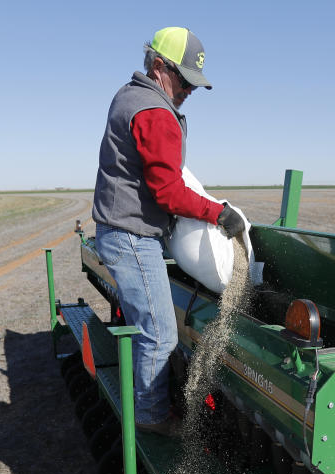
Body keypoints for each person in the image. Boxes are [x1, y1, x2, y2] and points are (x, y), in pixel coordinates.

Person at [92, 27, 245, 436]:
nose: (189, 91)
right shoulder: (155, 113)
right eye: (185, 81)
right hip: (131, 235)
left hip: (120, 228)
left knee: (154, 329)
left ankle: (152, 405)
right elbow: (167, 191)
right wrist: (218, 213)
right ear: (160, 66)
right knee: (160, 334)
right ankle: (152, 417)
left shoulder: (130, 95)